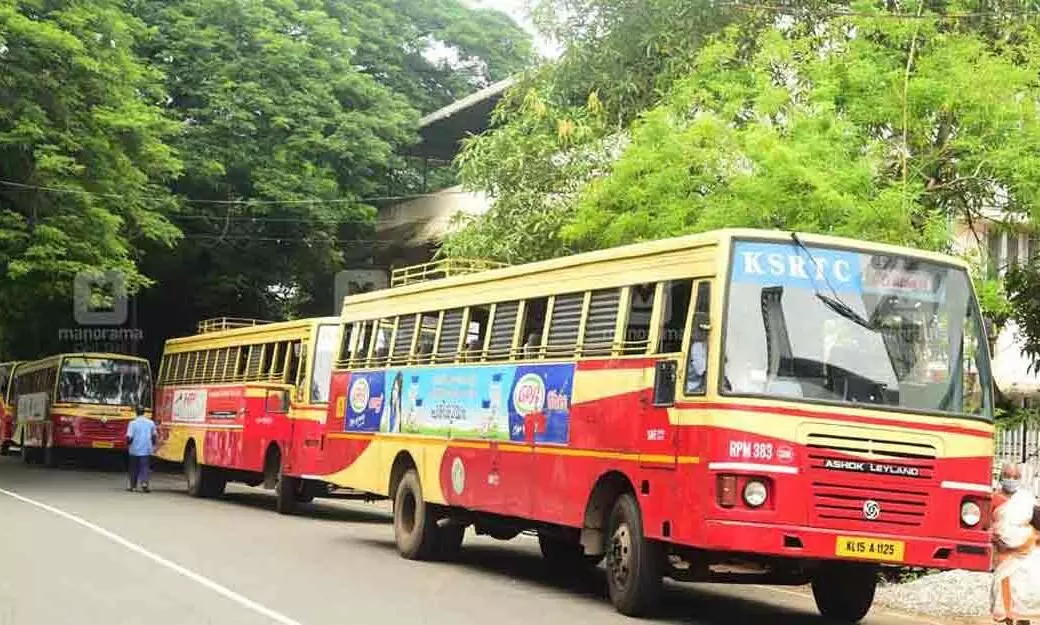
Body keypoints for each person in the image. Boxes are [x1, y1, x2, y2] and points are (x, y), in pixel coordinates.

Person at [991, 462, 1040, 624]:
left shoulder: (1026, 500)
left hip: (1026, 557)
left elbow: (1037, 522)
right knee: (1006, 597)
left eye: (1016, 477)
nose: (1011, 480)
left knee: (1024, 596)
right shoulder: (994, 499)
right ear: (1001, 477)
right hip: (1005, 556)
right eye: (1008, 476)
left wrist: (1029, 539)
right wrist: (998, 540)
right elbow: (987, 527)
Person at [125, 404, 157, 493]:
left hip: (134, 449)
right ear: (144, 412)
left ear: (136, 412)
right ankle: (144, 484)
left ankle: (133, 486)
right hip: (146, 449)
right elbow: (154, 436)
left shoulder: (132, 423)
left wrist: (127, 444)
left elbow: (129, 437)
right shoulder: (151, 423)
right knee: (145, 467)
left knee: (133, 468)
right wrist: (153, 446)